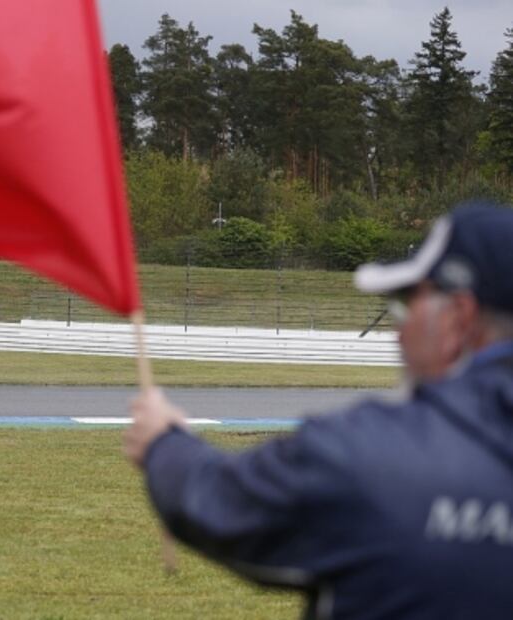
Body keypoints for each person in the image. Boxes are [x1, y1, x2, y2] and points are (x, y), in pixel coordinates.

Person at [125, 203, 513, 619]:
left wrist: (163, 443)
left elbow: (216, 501)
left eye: (405, 301)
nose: (399, 334)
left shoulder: (365, 452)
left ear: (458, 318)